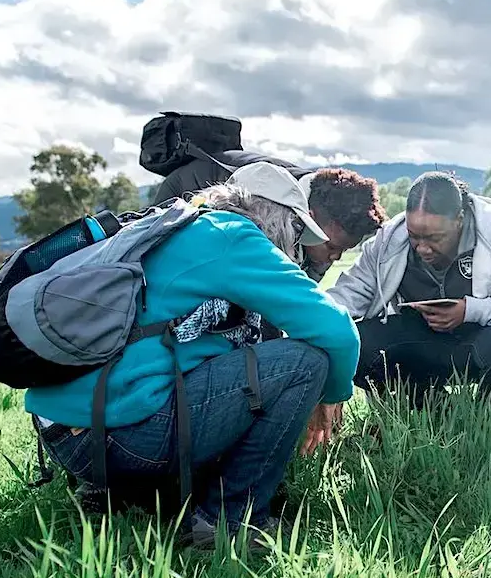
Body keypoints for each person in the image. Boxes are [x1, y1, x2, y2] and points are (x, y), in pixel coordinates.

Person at [27, 168, 359, 546]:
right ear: (281, 220)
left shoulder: (178, 226)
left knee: (241, 359)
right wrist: (333, 395)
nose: (297, 249)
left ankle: (128, 495)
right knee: (304, 363)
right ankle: (231, 520)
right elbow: (337, 329)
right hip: (118, 440)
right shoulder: (234, 238)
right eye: (297, 234)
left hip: (67, 436)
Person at [325, 171, 491, 411]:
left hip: (483, 341)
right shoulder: (388, 242)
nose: (422, 248)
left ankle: (487, 412)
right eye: (414, 236)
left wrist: (471, 310)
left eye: (435, 238)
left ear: (459, 220)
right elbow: (347, 295)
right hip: (419, 343)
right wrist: (312, 321)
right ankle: (432, 407)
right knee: (354, 342)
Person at [225, 153, 388, 281]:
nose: (336, 257)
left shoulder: (324, 225)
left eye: (344, 250)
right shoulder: (266, 208)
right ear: (309, 220)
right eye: (332, 247)